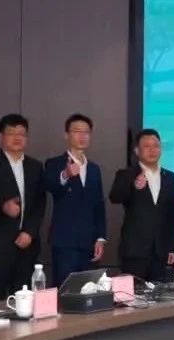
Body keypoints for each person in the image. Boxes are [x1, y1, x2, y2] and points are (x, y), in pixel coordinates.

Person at [0, 114, 46, 300]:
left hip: (27, 244)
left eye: (21, 134)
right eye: (11, 133)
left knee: (24, 298)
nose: (17, 137)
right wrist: (2, 206)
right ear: (1, 136)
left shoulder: (35, 166)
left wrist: (30, 232)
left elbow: (40, 202)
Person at [43, 113, 106, 287]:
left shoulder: (94, 169)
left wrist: (100, 238)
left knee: (89, 291)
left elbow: (99, 205)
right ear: (66, 135)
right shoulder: (54, 163)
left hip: (89, 242)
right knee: (65, 290)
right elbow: (50, 186)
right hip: (65, 241)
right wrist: (66, 174)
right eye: (77, 131)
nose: (82, 136)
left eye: (86, 132)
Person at [109, 129, 174, 282]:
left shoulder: (169, 176)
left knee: (159, 294)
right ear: (137, 151)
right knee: (133, 293)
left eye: (156, 146)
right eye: (147, 146)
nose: (152, 150)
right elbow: (115, 197)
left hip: (160, 251)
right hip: (134, 250)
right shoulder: (126, 174)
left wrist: (172, 247)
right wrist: (133, 186)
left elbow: (172, 214)